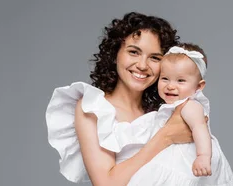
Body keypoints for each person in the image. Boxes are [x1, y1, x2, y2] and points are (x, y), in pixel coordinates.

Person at [45, 12, 193, 186]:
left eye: (154, 58)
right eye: (133, 52)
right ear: (115, 53)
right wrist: (165, 137)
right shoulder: (93, 109)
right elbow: (106, 183)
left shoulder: (166, 109)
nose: (142, 65)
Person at [122, 43, 233, 185]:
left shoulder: (189, 106)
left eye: (181, 81)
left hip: (184, 162)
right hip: (168, 158)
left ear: (198, 86)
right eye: (165, 78)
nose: (170, 86)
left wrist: (203, 156)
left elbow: (199, 128)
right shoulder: (168, 108)